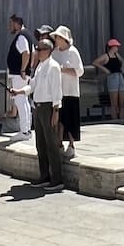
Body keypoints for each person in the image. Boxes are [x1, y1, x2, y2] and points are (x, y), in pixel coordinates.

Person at [29, 37, 63, 192]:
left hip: (49, 107)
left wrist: (56, 111)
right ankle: (44, 176)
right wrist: (19, 91)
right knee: (40, 143)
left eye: (39, 49)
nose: (37, 52)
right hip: (38, 107)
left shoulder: (53, 67)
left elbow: (57, 91)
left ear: (48, 51)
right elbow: (32, 85)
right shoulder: (40, 66)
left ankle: (57, 179)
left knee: (51, 144)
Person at [50, 26, 83, 160]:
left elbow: (80, 71)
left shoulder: (73, 52)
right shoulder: (54, 53)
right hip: (58, 91)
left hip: (71, 91)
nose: (56, 40)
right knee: (60, 120)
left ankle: (71, 145)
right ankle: (58, 144)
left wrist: (64, 70)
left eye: (57, 37)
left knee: (70, 119)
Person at [6, 14, 34, 141]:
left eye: (11, 24)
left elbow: (26, 53)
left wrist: (23, 69)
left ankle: (24, 131)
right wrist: (29, 69)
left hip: (19, 74)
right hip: (23, 73)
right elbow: (33, 53)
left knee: (20, 101)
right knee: (24, 101)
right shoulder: (28, 35)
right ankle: (27, 129)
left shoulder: (21, 36)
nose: (10, 27)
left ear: (17, 23)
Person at [93, 39, 124, 120]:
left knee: (122, 102)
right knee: (114, 103)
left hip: (119, 76)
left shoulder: (117, 55)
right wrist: (105, 69)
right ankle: (115, 120)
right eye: (116, 46)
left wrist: (122, 67)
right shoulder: (106, 56)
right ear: (112, 47)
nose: (117, 48)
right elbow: (95, 62)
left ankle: (122, 119)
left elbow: (123, 61)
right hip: (112, 77)